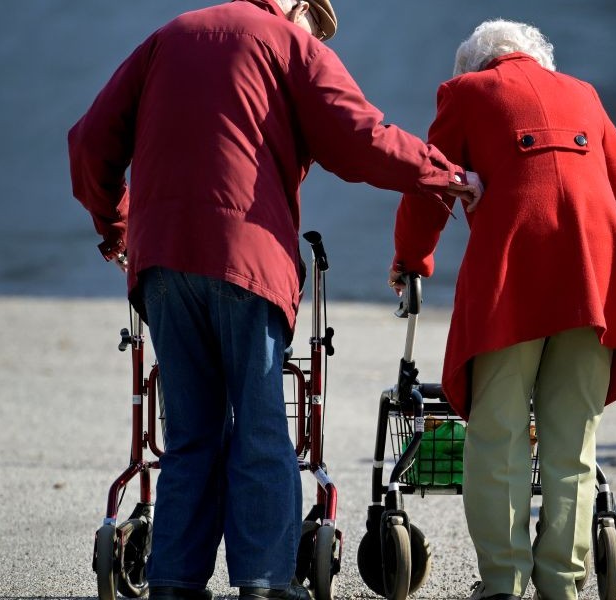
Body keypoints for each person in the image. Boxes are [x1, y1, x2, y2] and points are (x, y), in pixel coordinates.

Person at [67, 2, 481, 600]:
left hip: (162, 264)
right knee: (263, 426)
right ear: (296, 6)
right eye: (317, 22)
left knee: (188, 434)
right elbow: (360, 137)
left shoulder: (168, 36)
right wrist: (446, 173)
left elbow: (89, 142)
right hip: (246, 259)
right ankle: (264, 583)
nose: (316, 35)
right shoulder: (288, 42)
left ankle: (174, 583)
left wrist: (117, 225)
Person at [388, 19, 616, 600]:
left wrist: (411, 261)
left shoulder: (465, 94)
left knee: (498, 435)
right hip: (592, 289)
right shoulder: (582, 94)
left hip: (510, 286)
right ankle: (561, 583)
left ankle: (504, 583)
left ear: (475, 67)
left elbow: (430, 186)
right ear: (538, 59)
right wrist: (596, 258)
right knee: (572, 443)